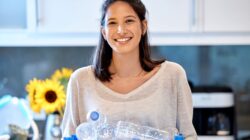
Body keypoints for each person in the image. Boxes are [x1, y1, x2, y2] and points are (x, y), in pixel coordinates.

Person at [61, 0, 197, 139]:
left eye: (129, 21)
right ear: (104, 32)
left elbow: (188, 136)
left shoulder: (172, 75)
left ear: (143, 26)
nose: (121, 30)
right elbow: (68, 136)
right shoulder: (81, 80)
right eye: (112, 23)